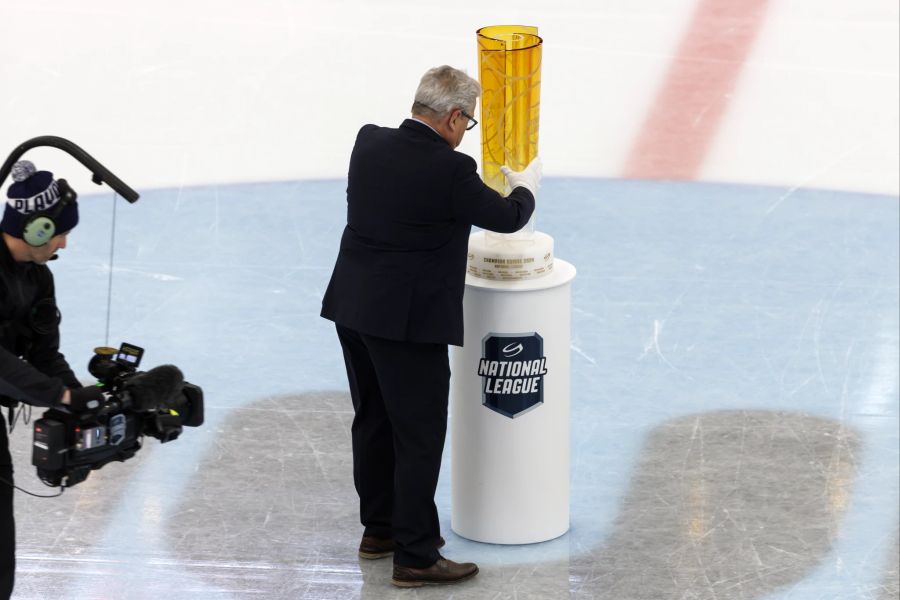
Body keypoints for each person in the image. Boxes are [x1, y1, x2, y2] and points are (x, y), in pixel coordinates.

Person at [320, 65, 542, 588]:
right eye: (467, 123)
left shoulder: (368, 142)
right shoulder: (451, 170)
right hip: (406, 323)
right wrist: (524, 189)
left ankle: (379, 530)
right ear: (453, 117)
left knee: (372, 419)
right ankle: (417, 554)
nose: (465, 132)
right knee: (418, 436)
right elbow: (508, 217)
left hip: (354, 308)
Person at [0, 160, 104, 600]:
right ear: (36, 228)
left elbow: (43, 352)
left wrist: (78, 397)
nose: (64, 243)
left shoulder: (39, 277)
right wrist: (56, 393)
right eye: (59, 232)